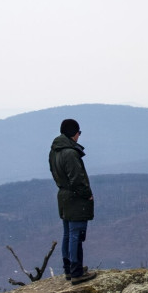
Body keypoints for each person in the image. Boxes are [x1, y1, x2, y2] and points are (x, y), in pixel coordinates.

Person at [49, 118, 97, 284]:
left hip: (63, 196)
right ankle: (76, 272)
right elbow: (77, 178)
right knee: (76, 233)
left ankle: (69, 269)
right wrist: (87, 194)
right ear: (75, 134)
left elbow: (56, 174)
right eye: (79, 133)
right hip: (75, 199)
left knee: (68, 234)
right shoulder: (70, 153)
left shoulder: (54, 151)